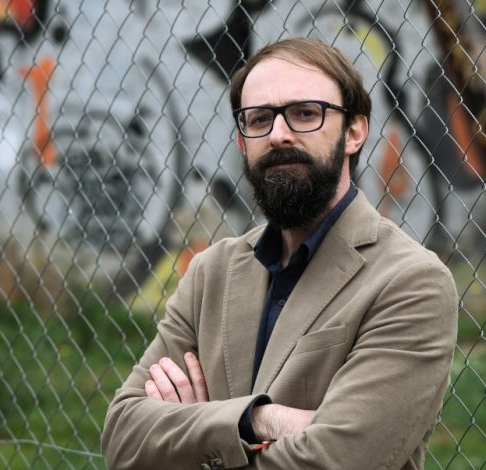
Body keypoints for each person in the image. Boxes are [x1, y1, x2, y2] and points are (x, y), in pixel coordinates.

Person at [102, 37, 458, 470]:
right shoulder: (210, 273)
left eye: (305, 113)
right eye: (259, 119)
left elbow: (341, 459)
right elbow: (123, 438)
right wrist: (257, 419)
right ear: (242, 141)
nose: (278, 134)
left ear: (354, 132)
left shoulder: (410, 282)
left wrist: (196, 431)